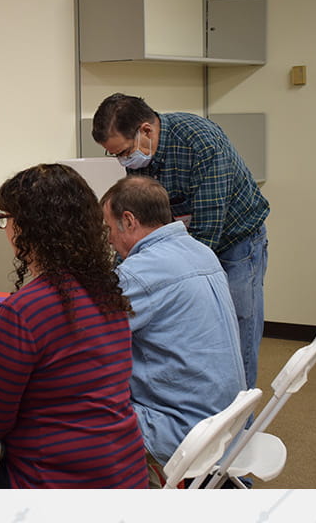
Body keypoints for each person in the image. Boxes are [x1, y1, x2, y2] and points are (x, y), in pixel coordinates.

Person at [0, 164, 148, 489]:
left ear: (27, 228)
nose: (4, 228)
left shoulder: (24, 310)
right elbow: (66, 376)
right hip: (125, 473)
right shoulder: (108, 292)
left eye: (6, 219)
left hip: (55, 481)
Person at [92, 93, 269, 390]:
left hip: (235, 239)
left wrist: (160, 276)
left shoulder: (201, 142)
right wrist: (117, 279)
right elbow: (138, 228)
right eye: (116, 156)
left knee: (238, 331)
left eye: (123, 152)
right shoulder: (140, 155)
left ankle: (241, 423)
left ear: (146, 131)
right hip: (186, 241)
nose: (124, 161)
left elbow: (206, 233)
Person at [100, 175, 247, 487]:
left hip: (182, 429)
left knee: (65, 410)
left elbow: (82, 338)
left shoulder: (140, 273)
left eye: (109, 228)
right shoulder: (200, 251)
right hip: (226, 421)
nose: (109, 239)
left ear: (128, 221)